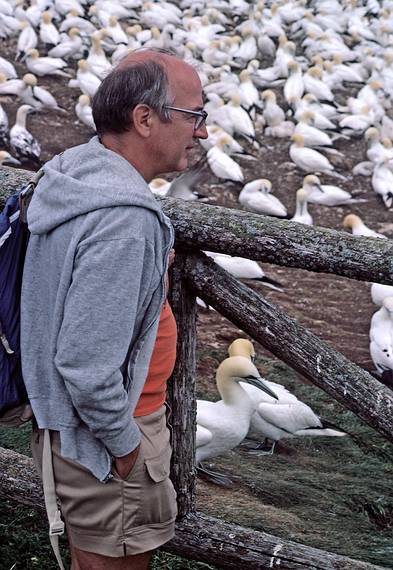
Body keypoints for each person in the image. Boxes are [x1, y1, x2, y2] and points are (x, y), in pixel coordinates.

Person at [20, 49, 208, 570]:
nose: (204, 132)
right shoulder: (124, 220)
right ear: (145, 119)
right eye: (195, 116)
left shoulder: (76, 170)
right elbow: (85, 364)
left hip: (70, 429)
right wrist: (126, 447)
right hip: (105, 439)